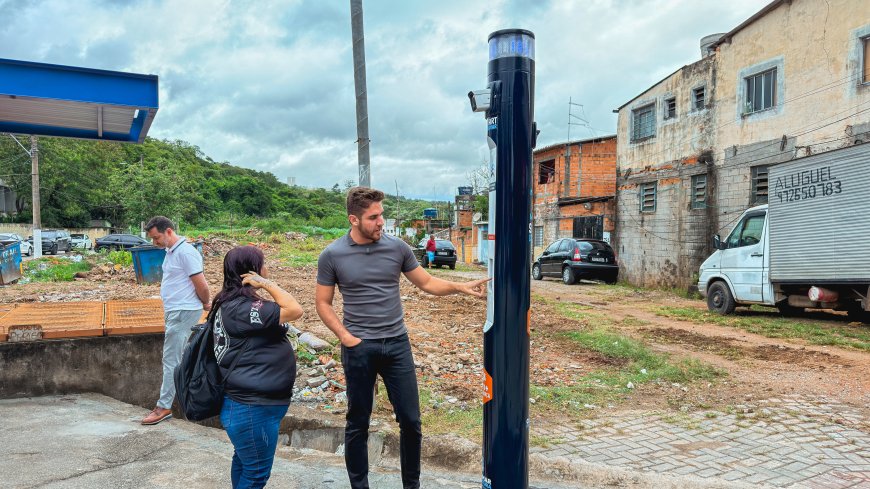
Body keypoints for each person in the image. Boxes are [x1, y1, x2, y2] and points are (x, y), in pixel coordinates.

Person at [315, 187, 488, 489]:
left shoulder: (397, 248)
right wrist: (345, 337)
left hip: (396, 344)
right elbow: (323, 303)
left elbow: (427, 282)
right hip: (359, 347)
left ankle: (411, 486)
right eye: (373, 217)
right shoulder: (332, 255)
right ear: (354, 219)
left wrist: (460, 287)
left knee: (411, 421)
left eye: (381, 215)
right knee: (358, 422)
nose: (381, 222)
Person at [210, 245, 303, 489]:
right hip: (252, 407)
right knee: (256, 474)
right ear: (252, 270)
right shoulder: (243, 308)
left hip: (248, 403)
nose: (267, 267)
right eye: (263, 264)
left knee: (245, 463)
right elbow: (295, 310)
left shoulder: (230, 303)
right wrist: (267, 284)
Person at [142, 216, 211, 425]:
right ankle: (183, 400)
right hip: (176, 310)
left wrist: (206, 302)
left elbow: (201, 284)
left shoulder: (185, 252)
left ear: (169, 231)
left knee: (171, 360)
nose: (154, 242)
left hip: (183, 311)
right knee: (176, 358)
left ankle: (163, 407)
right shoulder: (171, 251)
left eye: (156, 237)